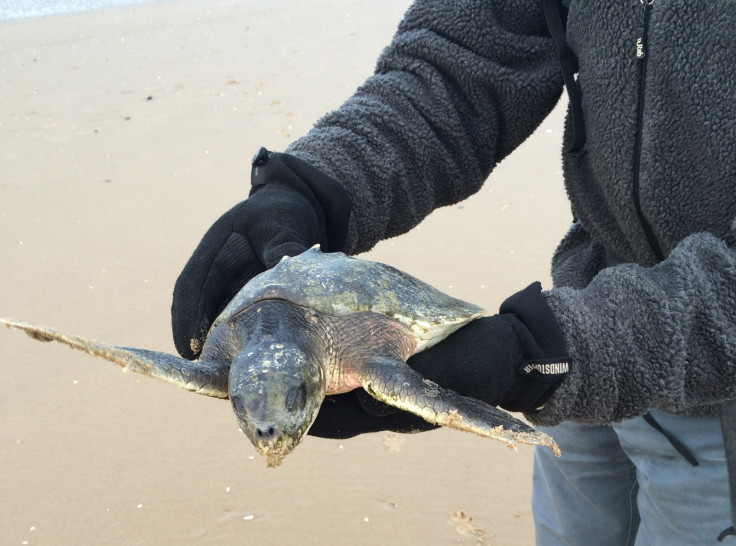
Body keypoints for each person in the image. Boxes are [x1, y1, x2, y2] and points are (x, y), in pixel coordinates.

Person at [170, 1, 736, 543]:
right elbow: (464, 58)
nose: (268, 432)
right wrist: (318, 185)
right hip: (579, 316)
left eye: (289, 399)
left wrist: (540, 350)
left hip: (704, 377)